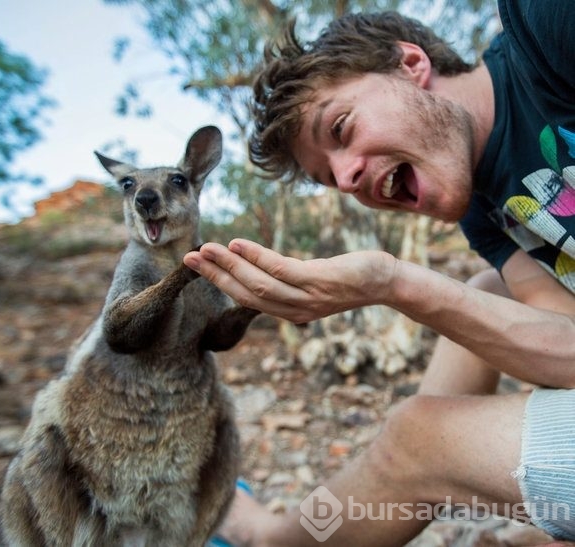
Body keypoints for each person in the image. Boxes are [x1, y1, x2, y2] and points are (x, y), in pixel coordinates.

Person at [184, 1, 575, 545]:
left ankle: (272, 540)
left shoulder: (546, 32)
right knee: (489, 290)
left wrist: (394, 284)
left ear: (410, 63)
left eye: (340, 128)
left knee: (419, 439)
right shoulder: (485, 214)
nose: (346, 180)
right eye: (330, 177)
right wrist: (393, 284)